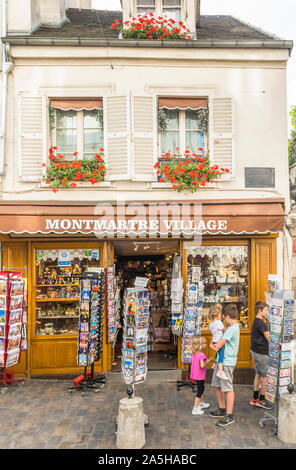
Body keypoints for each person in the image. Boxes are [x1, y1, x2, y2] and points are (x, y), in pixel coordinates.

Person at [209, 303, 240, 427]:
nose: (223, 320)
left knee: (227, 388)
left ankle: (229, 415)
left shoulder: (232, 329)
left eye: (224, 317)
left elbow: (218, 346)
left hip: (226, 362)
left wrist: (212, 346)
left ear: (227, 316)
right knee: (217, 385)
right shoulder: (231, 327)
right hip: (221, 361)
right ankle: (222, 409)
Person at [249, 301, 273, 410]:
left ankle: (254, 398)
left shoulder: (256, 321)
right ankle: (261, 400)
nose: (267, 312)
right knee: (265, 376)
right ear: (260, 311)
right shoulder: (261, 323)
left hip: (255, 351)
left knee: (258, 374)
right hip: (261, 352)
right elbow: (269, 339)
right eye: (265, 310)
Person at [190, 336, 212, 415]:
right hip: (200, 375)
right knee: (200, 390)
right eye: (204, 343)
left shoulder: (194, 353)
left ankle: (201, 403)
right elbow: (202, 365)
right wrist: (208, 361)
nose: (206, 345)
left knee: (201, 388)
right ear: (199, 345)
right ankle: (195, 409)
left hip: (196, 375)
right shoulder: (202, 355)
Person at [209, 304, 227, 380]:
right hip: (219, 341)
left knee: (218, 353)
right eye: (220, 314)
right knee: (221, 355)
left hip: (214, 341)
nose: (221, 316)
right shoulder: (219, 322)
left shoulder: (211, 324)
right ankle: (220, 371)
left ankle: (215, 363)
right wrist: (226, 324)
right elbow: (224, 330)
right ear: (217, 315)